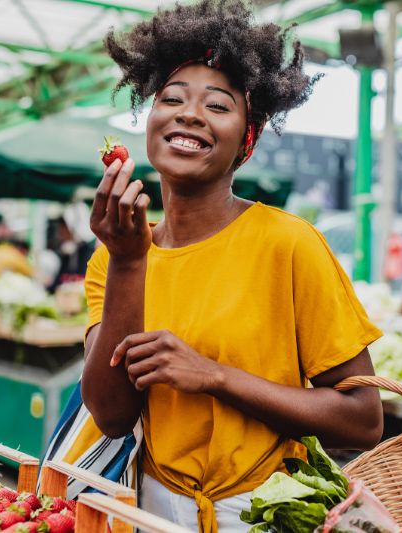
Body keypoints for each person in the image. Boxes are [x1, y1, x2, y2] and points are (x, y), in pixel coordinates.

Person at [80, 2, 384, 531]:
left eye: (217, 106)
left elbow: (363, 418)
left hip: (269, 512)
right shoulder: (114, 256)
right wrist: (130, 263)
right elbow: (110, 415)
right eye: (171, 99)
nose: (189, 114)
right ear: (149, 121)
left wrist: (216, 377)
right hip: (151, 512)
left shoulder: (288, 244)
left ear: (248, 137)